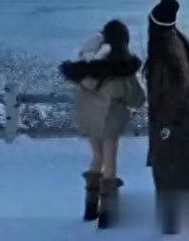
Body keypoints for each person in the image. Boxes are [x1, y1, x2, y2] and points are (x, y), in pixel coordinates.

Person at [60, 20, 145, 229]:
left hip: (88, 119)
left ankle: (90, 208)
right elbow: (137, 98)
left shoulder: (84, 69)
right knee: (110, 161)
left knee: (97, 157)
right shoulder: (122, 69)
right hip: (110, 119)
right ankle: (108, 214)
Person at [144, 0, 189, 235]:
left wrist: (165, 125)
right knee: (184, 170)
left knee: (169, 171)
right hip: (186, 120)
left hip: (171, 125)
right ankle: (182, 220)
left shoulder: (162, 54)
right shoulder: (176, 39)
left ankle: (171, 226)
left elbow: (170, 94)